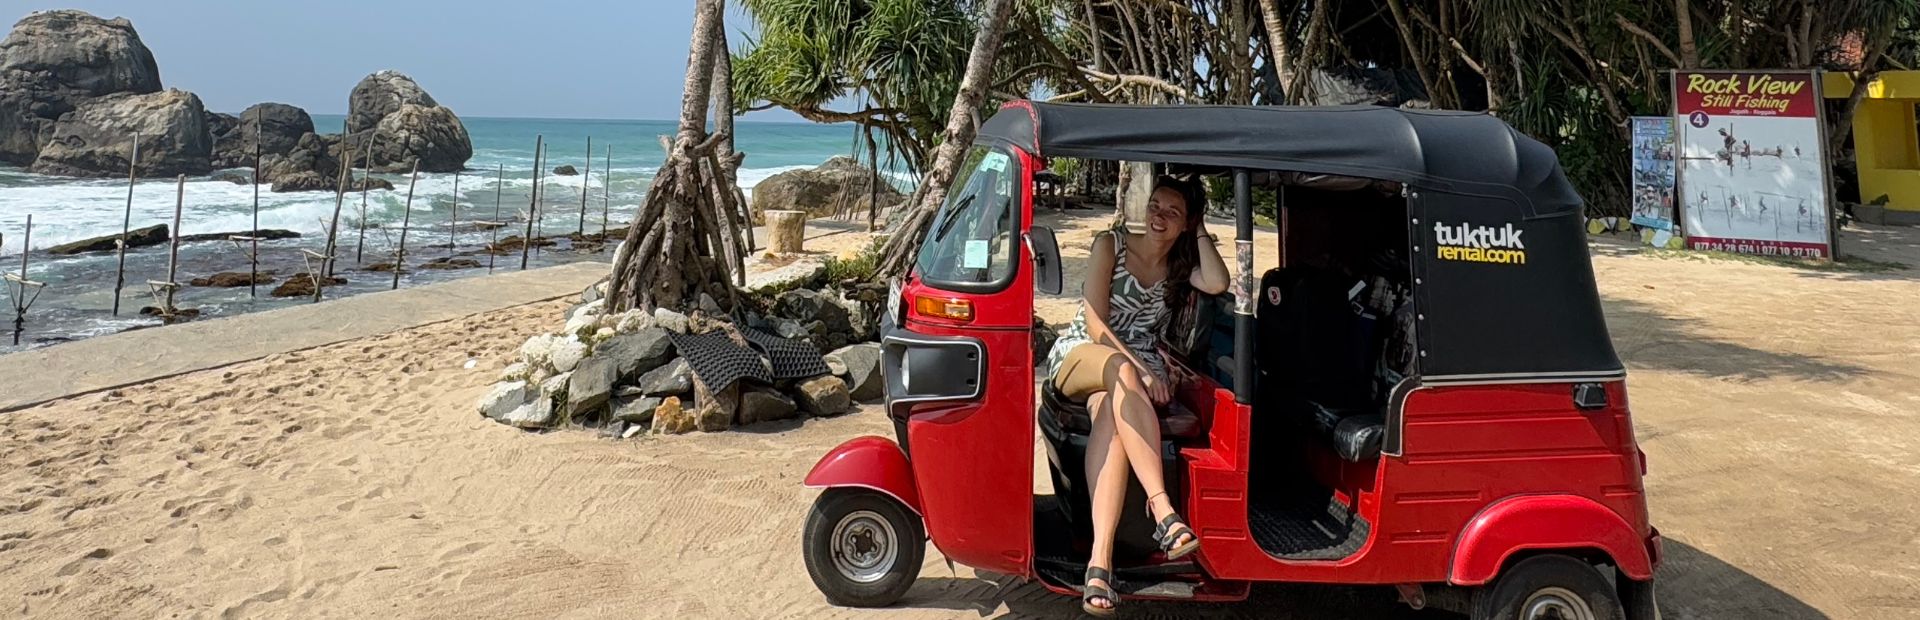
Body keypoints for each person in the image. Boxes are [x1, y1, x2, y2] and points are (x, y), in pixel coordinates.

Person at [1044, 176, 1230, 616]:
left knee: (1111, 413)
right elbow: (1094, 324)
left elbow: (1219, 282)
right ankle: (1163, 512)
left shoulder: (1181, 266)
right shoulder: (1110, 245)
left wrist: (1200, 228)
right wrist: (1144, 369)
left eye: (1172, 212)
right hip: (1084, 354)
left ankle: (1099, 564)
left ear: (1186, 223)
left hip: (1130, 375)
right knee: (1121, 371)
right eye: (1155, 206)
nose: (1158, 217)